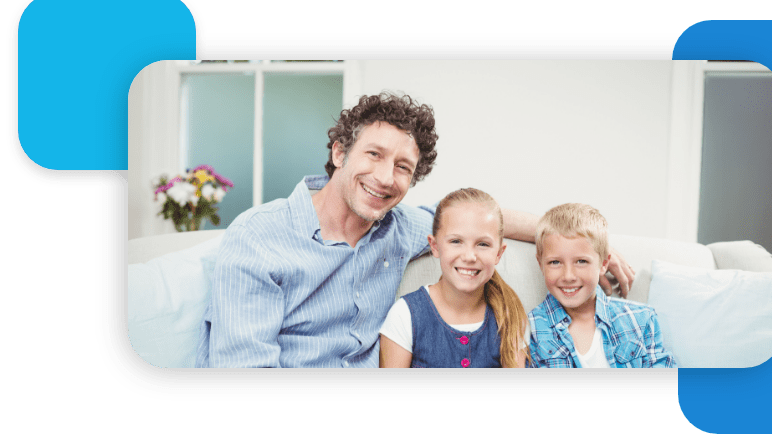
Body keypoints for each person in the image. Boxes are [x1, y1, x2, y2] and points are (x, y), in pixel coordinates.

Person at [195, 91, 635, 367]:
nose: (386, 177)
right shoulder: (259, 238)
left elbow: (483, 216)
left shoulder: (399, 227)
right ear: (338, 152)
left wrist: (589, 243)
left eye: (403, 167)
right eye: (373, 155)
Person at [379, 188, 530, 368]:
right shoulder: (405, 315)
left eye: (483, 244)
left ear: (499, 253)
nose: (469, 256)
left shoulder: (510, 318)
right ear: (434, 246)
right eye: (456, 241)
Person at [528, 203, 675, 368]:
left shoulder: (640, 319)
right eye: (555, 262)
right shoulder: (529, 329)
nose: (568, 276)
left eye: (581, 261)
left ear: (604, 264)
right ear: (540, 264)